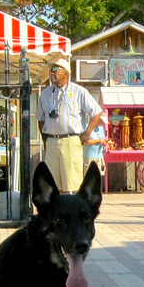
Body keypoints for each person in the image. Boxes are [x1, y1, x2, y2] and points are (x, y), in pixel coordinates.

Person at [37, 58, 105, 194]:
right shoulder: (45, 94)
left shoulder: (79, 91)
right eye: (51, 70)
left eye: (56, 70)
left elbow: (96, 113)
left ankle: (71, 211)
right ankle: (57, 213)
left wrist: (87, 132)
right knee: (53, 183)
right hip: (51, 141)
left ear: (65, 74)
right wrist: (45, 139)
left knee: (72, 183)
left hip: (70, 139)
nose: (52, 73)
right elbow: (40, 119)